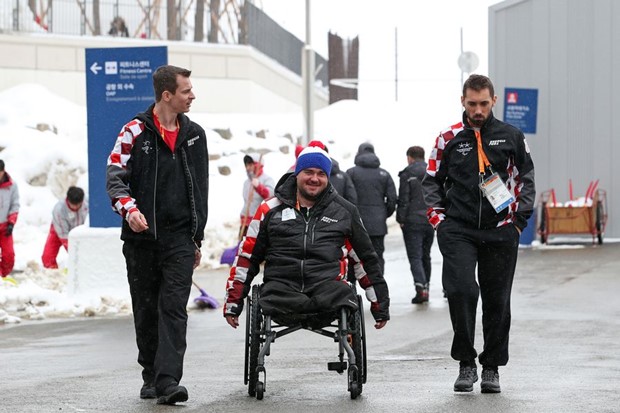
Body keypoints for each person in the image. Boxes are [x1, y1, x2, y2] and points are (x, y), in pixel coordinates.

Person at [422, 74, 535, 394]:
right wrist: (439, 221)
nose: (478, 110)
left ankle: (491, 367)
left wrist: (518, 221)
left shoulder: (512, 135)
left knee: (497, 300)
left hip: (501, 230)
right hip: (458, 229)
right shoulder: (448, 138)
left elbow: (526, 177)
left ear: (494, 101)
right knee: (460, 290)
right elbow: (430, 181)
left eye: (484, 103)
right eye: (472, 104)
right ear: (462, 102)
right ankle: (465, 362)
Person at [105, 65, 209, 405]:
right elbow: (115, 177)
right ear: (167, 95)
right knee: (146, 310)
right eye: (186, 91)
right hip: (141, 239)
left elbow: (201, 189)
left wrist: (197, 238)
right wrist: (129, 210)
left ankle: (168, 382)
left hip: (179, 239)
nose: (192, 95)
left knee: (174, 308)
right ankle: (150, 373)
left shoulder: (195, 135)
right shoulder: (133, 131)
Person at [224, 144, 390, 331]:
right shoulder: (269, 210)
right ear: (297, 174)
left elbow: (365, 258)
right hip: (281, 294)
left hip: (328, 295)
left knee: (344, 293)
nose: (314, 178)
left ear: (327, 177)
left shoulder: (345, 211)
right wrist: (233, 302)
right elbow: (247, 257)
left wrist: (380, 305)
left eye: (321, 174)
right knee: (269, 292)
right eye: (308, 172)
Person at [346, 143, 397, 274]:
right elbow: (392, 200)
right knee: (377, 256)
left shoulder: (351, 173)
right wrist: (383, 214)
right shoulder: (384, 174)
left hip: (356, 224)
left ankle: (352, 289)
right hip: (378, 225)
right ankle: (379, 287)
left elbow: (347, 198)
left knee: (353, 256)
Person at [396, 146, 434, 304]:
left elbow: (404, 199)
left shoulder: (407, 173)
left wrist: (401, 219)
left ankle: (420, 290)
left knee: (415, 256)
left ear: (410, 157)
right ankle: (426, 288)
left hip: (412, 220)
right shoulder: (431, 171)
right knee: (426, 255)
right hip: (430, 219)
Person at [41, 186, 88, 269]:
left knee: (85, 256)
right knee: (47, 258)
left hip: (82, 231)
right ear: (68, 200)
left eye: (78, 205)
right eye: (73, 205)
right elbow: (65, 238)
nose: (76, 207)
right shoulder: (59, 210)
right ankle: (53, 273)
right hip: (60, 230)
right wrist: (75, 255)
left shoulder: (87, 203)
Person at [240, 153, 274, 236]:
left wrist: (259, 187)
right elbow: (247, 202)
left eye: (250, 165)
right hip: (246, 222)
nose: (248, 168)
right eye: (246, 165)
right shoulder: (247, 182)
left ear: (257, 165)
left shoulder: (267, 179)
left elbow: (271, 196)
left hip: (259, 223)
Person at [0, 160, 19, 279]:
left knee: (9, 256)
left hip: (5, 227)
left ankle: (3, 277)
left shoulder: (12, 186)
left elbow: (15, 205)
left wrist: (11, 223)